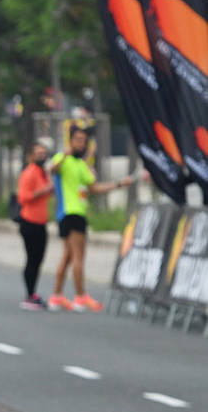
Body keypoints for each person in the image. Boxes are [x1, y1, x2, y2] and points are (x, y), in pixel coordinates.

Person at [48, 125, 135, 312]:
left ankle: (56, 295)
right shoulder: (63, 159)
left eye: (83, 140)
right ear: (70, 141)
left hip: (79, 212)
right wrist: (65, 154)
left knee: (69, 256)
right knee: (78, 256)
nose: (80, 143)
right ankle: (80, 296)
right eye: (77, 140)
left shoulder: (81, 165)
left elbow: (94, 188)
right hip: (69, 212)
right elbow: (52, 170)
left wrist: (119, 184)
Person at [16, 139, 55, 311]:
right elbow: (23, 197)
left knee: (39, 260)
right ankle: (29, 294)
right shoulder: (30, 173)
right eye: (38, 154)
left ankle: (33, 293)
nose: (41, 156)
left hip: (41, 222)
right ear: (32, 156)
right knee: (32, 260)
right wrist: (43, 190)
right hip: (29, 222)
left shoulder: (43, 173)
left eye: (43, 154)